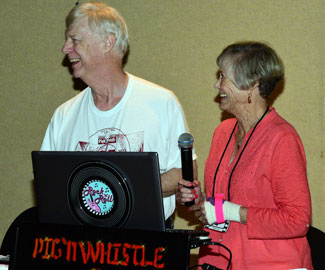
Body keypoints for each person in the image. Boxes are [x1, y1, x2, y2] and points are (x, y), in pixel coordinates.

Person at [41, 2, 197, 221]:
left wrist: (116, 186)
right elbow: (49, 187)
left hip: (146, 246)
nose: (65, 48)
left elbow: (184, 174)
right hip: (80, 247)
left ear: (107, 42)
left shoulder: (161, 102)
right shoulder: (63, 116)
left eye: (75, 40)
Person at [177, 42, 312, 269]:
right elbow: (222, 205)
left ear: (253, 84)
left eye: (223, 76)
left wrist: (232, 211)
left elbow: (298, 220)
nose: (216, 84)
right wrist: (200, 202)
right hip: (218, 259)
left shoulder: (282, 139)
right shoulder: (223, 132)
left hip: (270, 263)